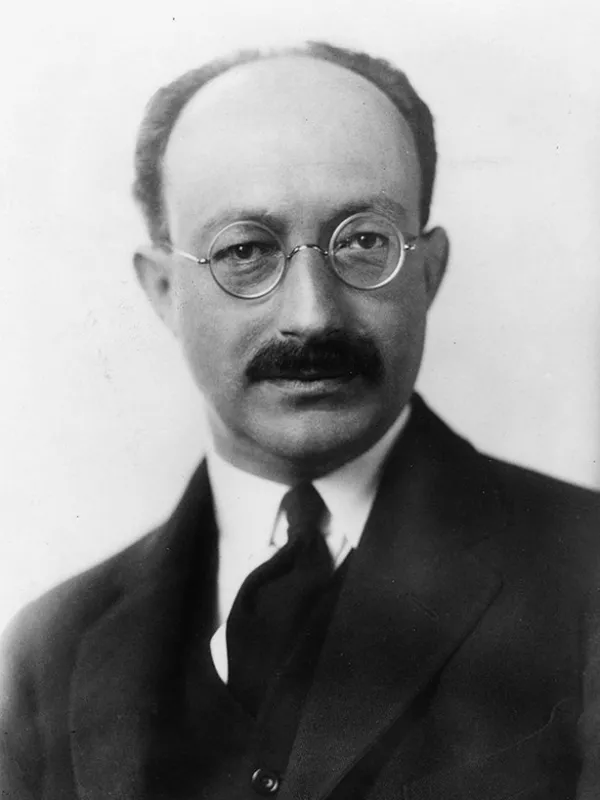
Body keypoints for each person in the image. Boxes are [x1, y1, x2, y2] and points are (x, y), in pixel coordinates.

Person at [2, 40, 600, 800]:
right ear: (163, 291)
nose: (313, 315)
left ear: (429, 271)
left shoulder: (587, 574)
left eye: (364, 242)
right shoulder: (46, 654)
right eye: (245, 251)